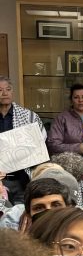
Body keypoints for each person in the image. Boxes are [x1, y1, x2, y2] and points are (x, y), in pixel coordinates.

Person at [0, 75, 44, 203]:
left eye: (8, 89)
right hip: (0, 180)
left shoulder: (29, 116)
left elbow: (40, 143)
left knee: (22, 211)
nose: (4, 93)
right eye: (0, 90)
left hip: (22, 178)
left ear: (12, 91)